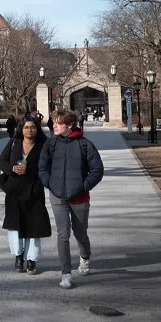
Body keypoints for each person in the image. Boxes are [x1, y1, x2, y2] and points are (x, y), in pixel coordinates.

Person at [38, 109, 105, 289]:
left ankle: (85, 257)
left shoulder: (85, 145)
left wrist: (83, 186)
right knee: (63, 233)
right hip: (57, 195)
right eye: (53, 122)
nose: (54, 125)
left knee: (80, 232)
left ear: (69, 125)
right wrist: (49, 183)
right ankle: (66, 273)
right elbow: (42, 166)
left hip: (80, 197)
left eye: (58, 123)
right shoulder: (50, 144)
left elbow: (97, 170)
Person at [0, 117, 52, 274]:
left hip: (34, 191)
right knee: (15, 226)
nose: (30, 130)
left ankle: (31, 260)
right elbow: (0, 162)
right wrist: (13, 169)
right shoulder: (14, 143)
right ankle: (18, 257)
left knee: (33, 226)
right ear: (21, 129)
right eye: (26, 127)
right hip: (14, 192)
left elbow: (49, 166)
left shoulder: (44, 145)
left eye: (33, 127)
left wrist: (32, 171)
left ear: (37, 129)